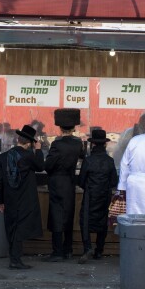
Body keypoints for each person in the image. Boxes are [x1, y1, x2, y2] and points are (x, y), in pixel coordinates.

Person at [0, 124, 45, 270]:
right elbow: (41, 166)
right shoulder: (29, 156)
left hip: (9, 198)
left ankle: (14, 257)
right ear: (29, 143)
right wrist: (39, 150)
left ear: (18, 139)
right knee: (19, 228)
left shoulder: (2, 157)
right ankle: (15, 260)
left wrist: (0, 200)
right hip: (24, 199)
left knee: (11, 227)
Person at [44, 109, 85, 261]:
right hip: (69, 182)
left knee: (56, 216)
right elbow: (82, 156)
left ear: (60, 127)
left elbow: (48, 165)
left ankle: (57, 252)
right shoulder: (78, 143)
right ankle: (68, 249)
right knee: (68, 214)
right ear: (74, 127)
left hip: (57, 182)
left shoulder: (57, 144)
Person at [77, 129, 117, 264]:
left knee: (85, 221)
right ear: (105, 145)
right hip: (104, 196)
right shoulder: (110, 161)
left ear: (92, 144)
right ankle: (99, 250)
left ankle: (87, 248)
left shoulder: (88, 161)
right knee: (102, 222)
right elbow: (114, 182)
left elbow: (81, 181)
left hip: (90, 196)